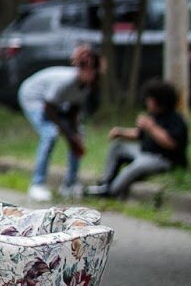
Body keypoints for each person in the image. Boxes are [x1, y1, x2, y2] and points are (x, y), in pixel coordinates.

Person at [17, 45, 101, 201]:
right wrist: (68, 133)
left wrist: (74, 135)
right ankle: (37, 184)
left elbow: (73, 111)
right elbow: (49, 109)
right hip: (34, 97)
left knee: (79, 135)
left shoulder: (86, 87)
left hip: (54, 104)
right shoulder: (67, 81)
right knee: (50, 134)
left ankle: (70, 184)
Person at [88, 79, 188, 199]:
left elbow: (171, 143)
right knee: (118, 146)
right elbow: (139, 134)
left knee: (133, 168)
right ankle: (105, 182)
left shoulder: (176, 120)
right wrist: (120, 132)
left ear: (159, 101)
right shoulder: (153, 116)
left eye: (150, 99)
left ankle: (111, 191)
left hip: (163, 159)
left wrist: (151, 127)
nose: (147, 102)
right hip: (145, 152)